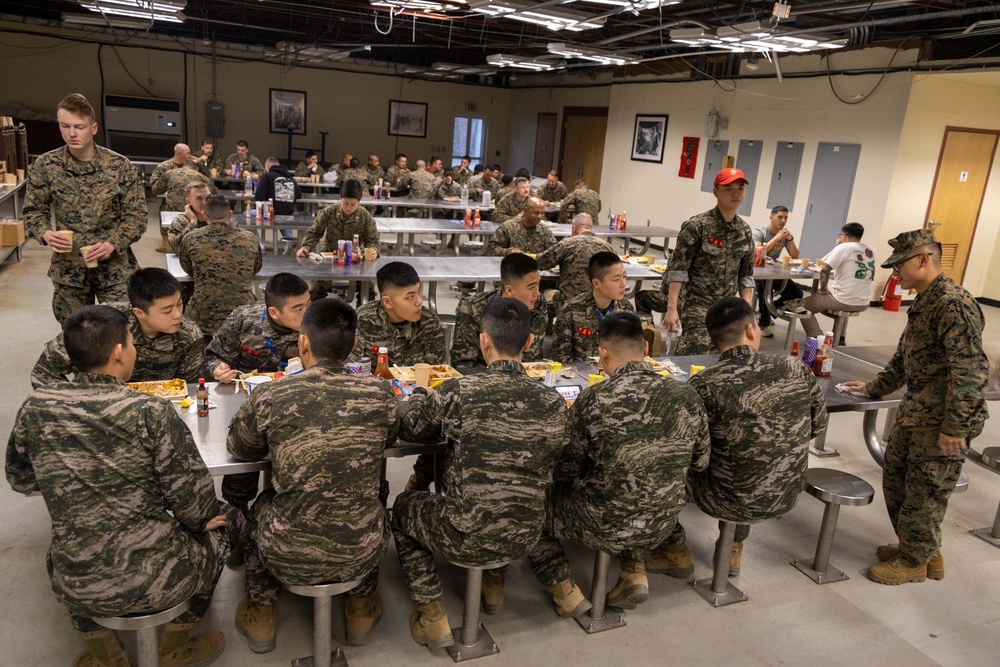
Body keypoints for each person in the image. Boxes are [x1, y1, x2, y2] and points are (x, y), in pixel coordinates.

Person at [7, 305, 247, 667]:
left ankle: (106, 655)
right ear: (119, 352)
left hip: (78, 578)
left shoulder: (36, 407)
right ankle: (174, 647)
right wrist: (199, 520)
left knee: (66, 546)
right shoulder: (149, 411)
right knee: (225, 521)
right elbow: (194, 503)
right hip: (164, 575)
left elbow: (21, 478)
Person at [392, 298, 569, 649]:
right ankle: (496, 588)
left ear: (483, 341)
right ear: (530, 342)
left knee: (402, 507)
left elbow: (413, 430)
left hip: (465, 535)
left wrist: (416, 395)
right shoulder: (553, 402)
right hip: (526, 533)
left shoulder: (459, 392)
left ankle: (433, 615)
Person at [228, 299, 397, 651]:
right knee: (375, 500)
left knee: (261, 506)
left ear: (303, 342)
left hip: (287, 551)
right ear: (353, 347)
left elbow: (240, 448)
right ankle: (360, 611)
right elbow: (393, 434)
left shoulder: (272, 394)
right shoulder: (381, 394)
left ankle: (261, 616)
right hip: (360, 549)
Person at [528, 312, 711, 615]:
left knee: (534, 504)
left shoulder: (595, 399)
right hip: (664, 520)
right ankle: (633, 569)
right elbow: (701, 462)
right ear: (646, 350)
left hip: (604, 522)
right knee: (641, 487)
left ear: (601, 354)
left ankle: (564, 588)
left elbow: (565, 470)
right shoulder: (687, 395)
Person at [840, 230, 989, 586]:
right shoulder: (926, 300)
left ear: (923, 259)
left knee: (925, 494)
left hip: (940, 421)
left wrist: (956, 427)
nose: (895, 274)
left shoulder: (953, 304)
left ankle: (914, 563)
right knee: (899, 483)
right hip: (917, 413)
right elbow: (907, 357)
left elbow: (970, 369)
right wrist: (876, 386)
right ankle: (922, 548)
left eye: (899, 266)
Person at [648, 297, 827, 579]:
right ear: (752, 329)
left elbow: (694, 454)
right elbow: (818, 425)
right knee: (748, 457)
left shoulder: (705, 384)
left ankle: (673, 548)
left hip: (728, 500)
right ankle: (733, 545)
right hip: (789, 492)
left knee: (659, 464)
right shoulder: (795, 369)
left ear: (713, 339)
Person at [22, 93, 147, 324]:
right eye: (65, 126)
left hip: (114, 267)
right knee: (76, 335)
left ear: (94, 128)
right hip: (70, 270)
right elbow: (33, 210)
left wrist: (112, 243)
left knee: (123, 328)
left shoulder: (119, 166)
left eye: (79, 127)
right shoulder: (46, 166)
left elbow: (137, 217)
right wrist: (45, 233)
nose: (72, 133)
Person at [205, 273, 311, 511]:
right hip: (246, 409)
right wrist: (218, 370)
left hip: (298, 408)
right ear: (274, 312)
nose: (307, 313)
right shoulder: (244, 319)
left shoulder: (315, 324)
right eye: (298, 308)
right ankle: (238, 515)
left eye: (308, 304)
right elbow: (214, 356)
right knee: (241, 469)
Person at [635, 167, 755, 355]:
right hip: (696, 304)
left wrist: (747, 312)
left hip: (727, 308)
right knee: (691, 354)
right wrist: (672, 309)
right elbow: (678, 270)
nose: (735, 193)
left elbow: (746, 276)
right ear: (716, 192)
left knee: (727, 357)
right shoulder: (697, 226)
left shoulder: (745, 231)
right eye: (729, 188)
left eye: (740, 188)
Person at [32, 267, 205, 388]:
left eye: (180, 304)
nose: (177, 315)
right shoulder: (103, 324)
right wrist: (72, 406)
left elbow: (189, 388)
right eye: (167, 311)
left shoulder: (188, 334)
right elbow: (43, 372)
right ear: (139, 313)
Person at [179, 194, 262, 336]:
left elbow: (187, 269)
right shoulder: (250, 239)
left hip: (203, 317)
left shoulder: (191, 238)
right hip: (242, 316)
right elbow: (256, 268)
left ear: (204, 215)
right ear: (230, 214)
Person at [452, 253, 547, 367]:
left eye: (538, 285)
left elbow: (531, 355)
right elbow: (463, 364)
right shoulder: (472, 309)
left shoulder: (538, 303)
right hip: (482, 378)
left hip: (522, 375)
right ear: (509, 290)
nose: (537, 293)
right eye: (531, 287)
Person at [297, 178, 380, 301]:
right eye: (345, 203)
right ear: (340, 198)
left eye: (353, 204)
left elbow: (372, 241)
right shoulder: (329, 212)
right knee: (316, 289)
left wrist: (373, 250)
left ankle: (362, 318)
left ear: (359, 201)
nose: (348, 208)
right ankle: (317, 317)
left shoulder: (365, 217)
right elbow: (314, 233)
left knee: (368, 289)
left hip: (355, 258)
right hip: (329, 256)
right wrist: (305, 247)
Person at [354, 262, 445, 365]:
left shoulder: (430, 322)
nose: (419, 301)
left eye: (419, 292)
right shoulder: (361, 320)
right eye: (410, 296)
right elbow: (350, 369)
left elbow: (438, 373)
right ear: (387, 302)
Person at [551, 251, 635, 363]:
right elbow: (560, 359)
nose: (623, 284)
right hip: (580, 376)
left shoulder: (626, 309)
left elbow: (632, 351)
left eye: (624, 277)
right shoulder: (571, 311)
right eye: (616, 279)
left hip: (616, 375)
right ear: (596, 283)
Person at [800, 222, 876, 340]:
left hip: (842, 300)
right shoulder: (869, 250)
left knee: (802, 306)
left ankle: (816, 338)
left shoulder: (843, 247)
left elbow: (824, 268)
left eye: (840, 235)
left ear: (845, 235)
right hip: (864, 302)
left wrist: (823, 290)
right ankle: (840, 338)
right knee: (843, 302)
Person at [535, 212, 614, 308]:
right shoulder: (608, 247)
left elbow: (540, 262)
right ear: (591, 228)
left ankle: (549, 322)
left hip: (568, 305)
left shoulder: (567, 244)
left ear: (573, 228)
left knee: (544, 292)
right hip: (598, 305)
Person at [753, 205, 803, 337]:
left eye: (786, 218)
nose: (783, 221)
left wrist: (790, 239)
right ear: (771, 217)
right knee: (765, 289)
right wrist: (776, 238)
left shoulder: (784, 235)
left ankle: (771, 309)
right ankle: (764, 324)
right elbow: (758, 254)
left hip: (773, 272)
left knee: (797, 292)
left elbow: (795, 256)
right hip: (756, 271)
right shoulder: (759, 232)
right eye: (780, 217)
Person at [150, 144, 210, 251]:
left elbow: (156, 189)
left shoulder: (170, 173)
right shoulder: (164, 166)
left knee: (165, 207)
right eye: (187, 153)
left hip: (177, 207)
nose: (189, 155)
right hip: (193, 208)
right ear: (178, 153)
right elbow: (211, 190)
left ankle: (170, 241)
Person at [487, 197, 556, 256]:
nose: (539, 216)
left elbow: (554, 251)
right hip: (512, 268)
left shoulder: (544, 231)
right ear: (525, 211)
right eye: (536, 213)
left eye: (542, 213)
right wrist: (506, 252)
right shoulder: (509, 227)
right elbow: (492, 248)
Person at [255, 157, 302, 241]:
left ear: (267, 167)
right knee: (284, 216)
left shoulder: (267, 176)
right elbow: (299, 194)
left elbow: (259, 196)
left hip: (270, 213)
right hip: (288, 214)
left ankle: (258, 243)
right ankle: (289, 242)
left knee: (246, 214)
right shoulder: (290, 178)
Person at [167, 180, 212, 254]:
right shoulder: (180, 222)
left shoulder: (219, 217)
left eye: (208, 198)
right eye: (199, 198)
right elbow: (177, 248)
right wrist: (193, 222)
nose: (205, 202)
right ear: (188, 202)